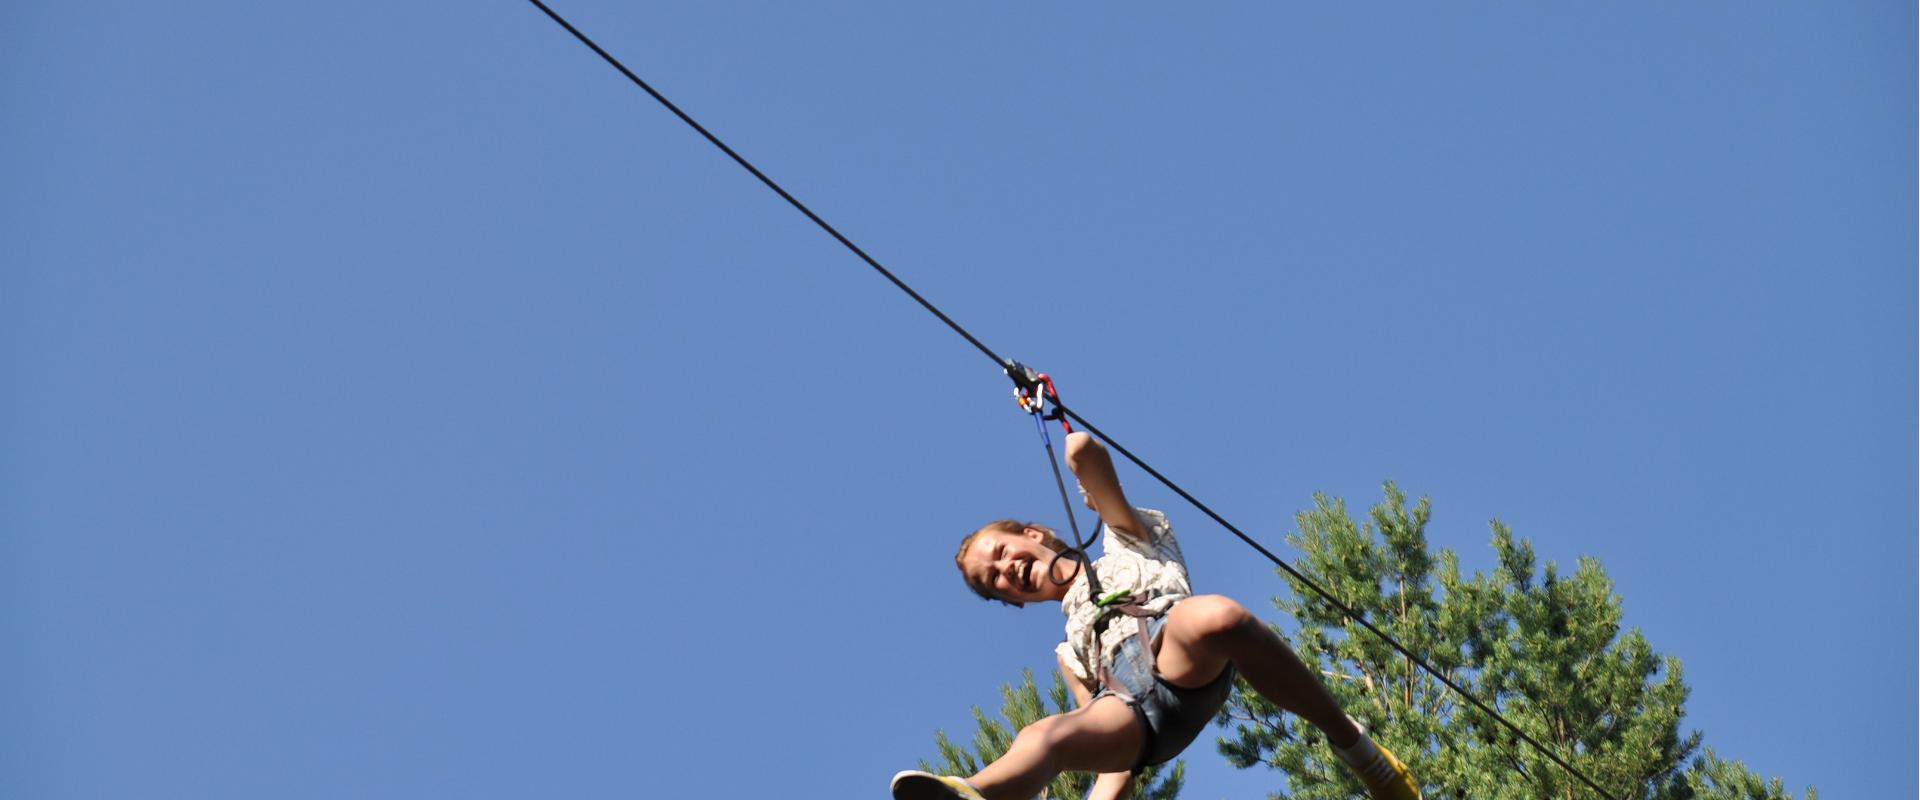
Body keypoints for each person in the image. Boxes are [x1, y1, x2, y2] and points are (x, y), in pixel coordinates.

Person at [890, 431, 1422, 800]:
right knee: (1044, 735)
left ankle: (1359, 751)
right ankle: (974, 793)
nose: (1006, 570)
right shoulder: (1068, 650)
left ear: (1033, 534)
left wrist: (1060, 426)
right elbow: (1104, 755)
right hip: (1131, 716)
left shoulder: (1128, 541)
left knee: (1217, 616)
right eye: (994, 581)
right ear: (1014, 602)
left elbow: (1085, 455)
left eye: (1002, 554)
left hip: (1178, 654)